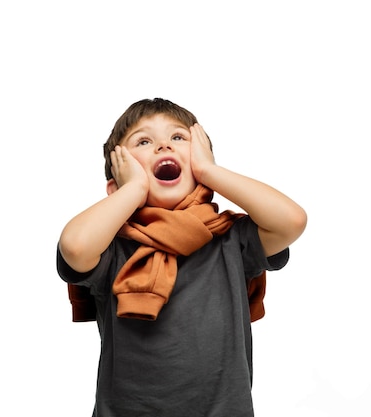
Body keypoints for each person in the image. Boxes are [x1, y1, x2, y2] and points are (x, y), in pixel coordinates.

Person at [56, 98, 307, 417]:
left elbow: (291, 220)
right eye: (143, 141)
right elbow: (75, 247)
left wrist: (210, 170)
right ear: (115, 185)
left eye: (178, 137)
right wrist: (132, 189)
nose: (163, 146)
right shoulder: (111, 248)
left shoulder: (231, 239)